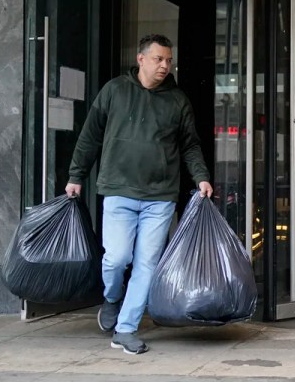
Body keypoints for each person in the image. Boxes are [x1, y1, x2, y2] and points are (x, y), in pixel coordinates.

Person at [65, 33, 212, 355]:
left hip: (160, 196)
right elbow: (90, 136)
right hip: (119, 191)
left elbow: (189, 145)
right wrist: (76, 176)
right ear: (141, 58)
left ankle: (126, 328)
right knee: (117, 259)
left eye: (169, 60)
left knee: (147, 263)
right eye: (158, 59)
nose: (164, 65)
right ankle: (113, 298)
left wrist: (201, 177)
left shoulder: (177, 101)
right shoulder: (115, 91)